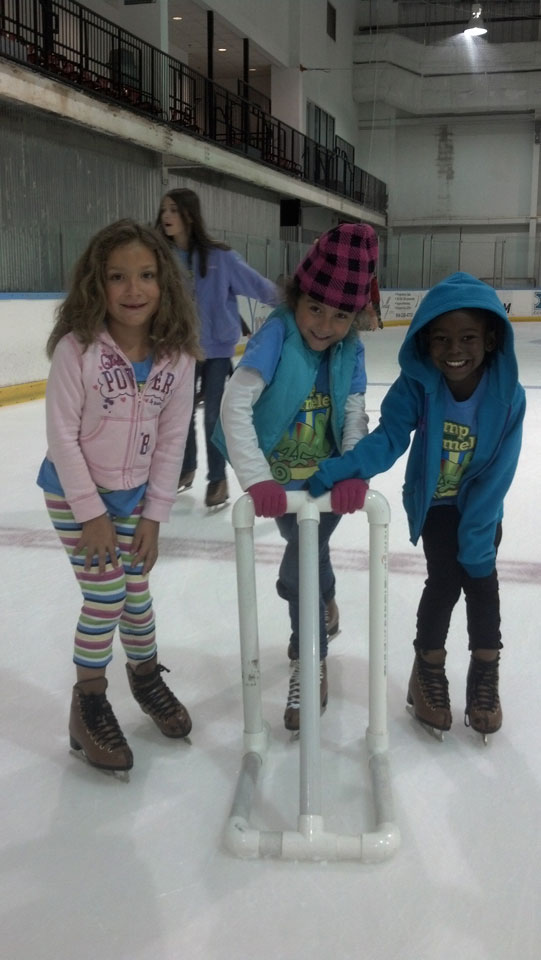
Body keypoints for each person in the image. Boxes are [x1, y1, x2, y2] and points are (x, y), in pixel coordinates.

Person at [308, 271, 526, 740]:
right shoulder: (418, 384)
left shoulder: (509, 395)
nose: (454, 350)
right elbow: (389, 438)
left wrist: (477, 533)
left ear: (490, 340)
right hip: (437, 503)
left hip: (483, 503)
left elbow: (500, 470)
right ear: (425, 342)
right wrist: (341, 469)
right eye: (441, 338)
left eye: (468, 338)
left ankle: (485, 672)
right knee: (444, 581)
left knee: (482, 582)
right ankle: (427, 670)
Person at [37, 219, 201, 775]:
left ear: (165, 282)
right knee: (107, 594)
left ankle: (147, 679)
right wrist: (91, 514)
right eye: (117, 277)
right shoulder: (77, 350)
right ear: (96, 283)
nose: (134, 289)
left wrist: (154, 515)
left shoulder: (177, 358)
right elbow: (61, 437)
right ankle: (88, 702)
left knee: (136, 595)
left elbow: (173, 441)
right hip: (73, 492)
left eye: (147, 275)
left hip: (134, 498)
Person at [214, 223, 378, 731]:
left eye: (341, 316)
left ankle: (310, 660)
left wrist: (352, 468)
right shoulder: (278, 333)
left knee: (300, 566)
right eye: (316, 309)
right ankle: (325, 600)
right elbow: (234, 404)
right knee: (309, 553)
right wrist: (257, 479)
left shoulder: (351, 351)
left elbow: (353, 414)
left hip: (323, 484)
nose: (326, 326)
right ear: (296, 297)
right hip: (276, 484)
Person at [156, 188, 277, 507]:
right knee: (179, 416)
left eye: (173, 210)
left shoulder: (220, 258)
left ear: (189, 215)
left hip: (217, 351)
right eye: (164, 210)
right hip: (180, 350)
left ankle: (217, 479)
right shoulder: (161, 258)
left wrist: (293, 301)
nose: (167, 216)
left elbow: (257, 285)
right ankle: (186, 468)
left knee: (213, 417)